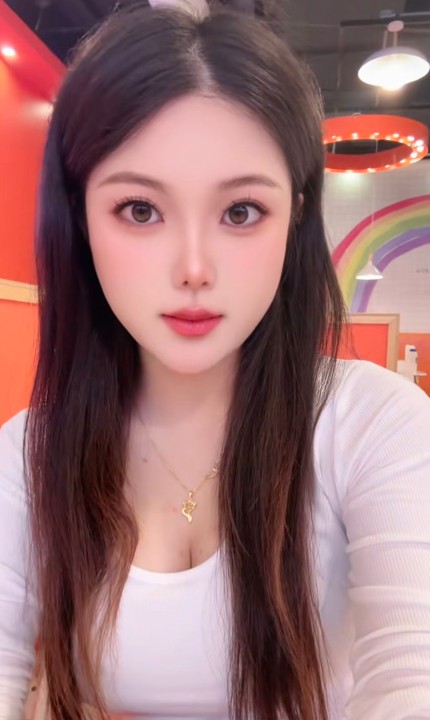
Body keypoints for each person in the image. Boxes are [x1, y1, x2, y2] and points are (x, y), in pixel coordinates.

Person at [1, 0, 430, 718]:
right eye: (141, 210)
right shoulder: (27, 455)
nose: (194, 269)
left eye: (240, 212)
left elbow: (414, 672)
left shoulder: (376, 425)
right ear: (80, 218)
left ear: (295, 214)